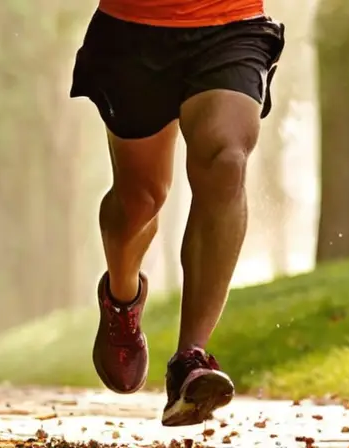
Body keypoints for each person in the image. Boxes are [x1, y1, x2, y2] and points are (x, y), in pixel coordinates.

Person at [69, 0, 285, 427]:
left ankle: (190, 360)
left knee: (226, 161)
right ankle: (121, 296)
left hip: (231, 23)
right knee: (140, 199)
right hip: (133, 29)